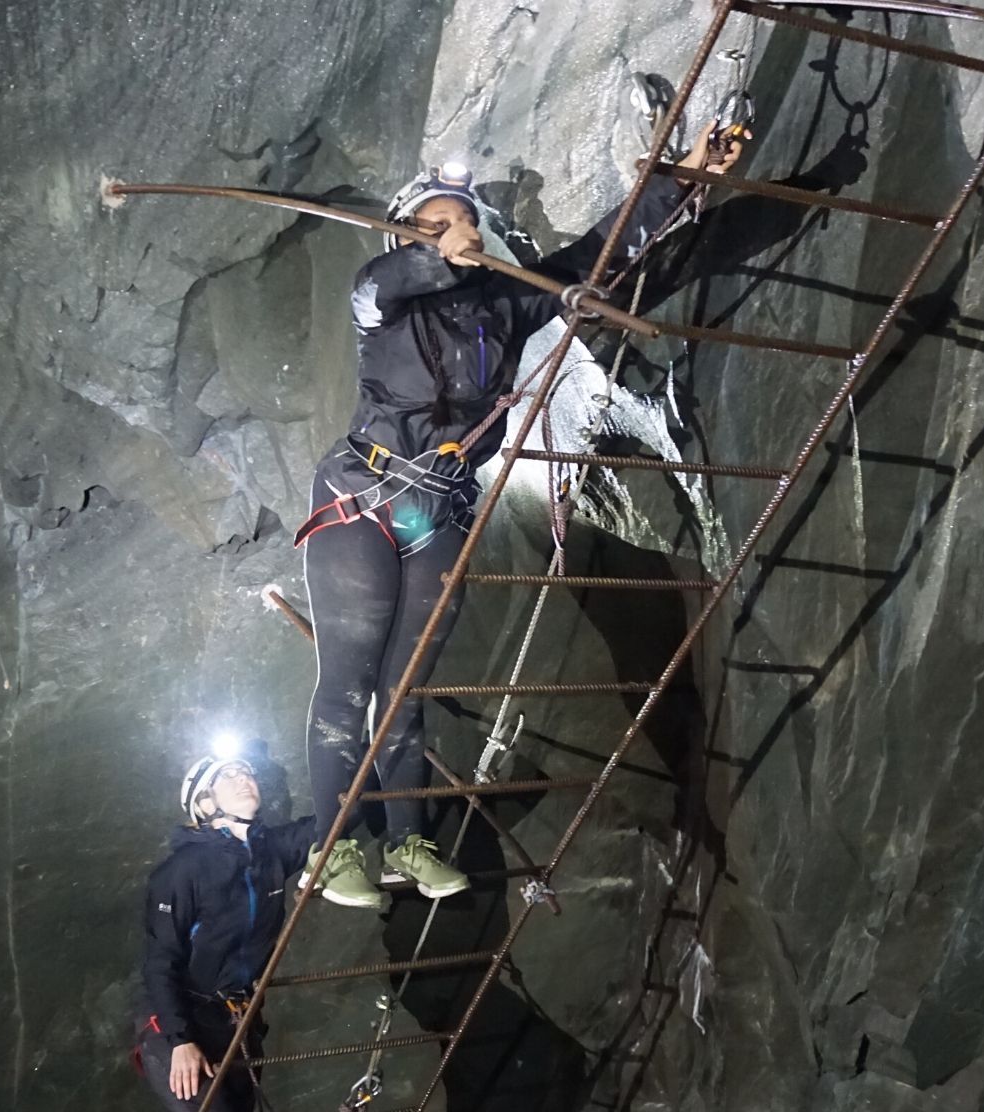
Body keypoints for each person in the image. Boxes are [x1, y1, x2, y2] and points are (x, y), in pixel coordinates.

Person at [293, 78, 747, 910]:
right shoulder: (380, 303)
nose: (456, 228)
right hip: (362, 496)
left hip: (438, 512)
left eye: (462, 218)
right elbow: (381, 283)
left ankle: (406, 841)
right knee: (350, 682)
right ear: (410, 233)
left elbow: (602, 249)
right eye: (435, 219)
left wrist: (684, 175)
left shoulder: (507, 303)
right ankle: (331, 849)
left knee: (408, 685)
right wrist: (431, 253)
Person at [137, 751, 314, 1112]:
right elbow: (160, 961)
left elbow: (336, 821)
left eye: (247, 772)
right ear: (203, 802)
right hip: (179, 1022)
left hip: (238, 1020)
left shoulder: (269, 852)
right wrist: (180, 1040)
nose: (244, 779)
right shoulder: (182, 871)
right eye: (227, 776)